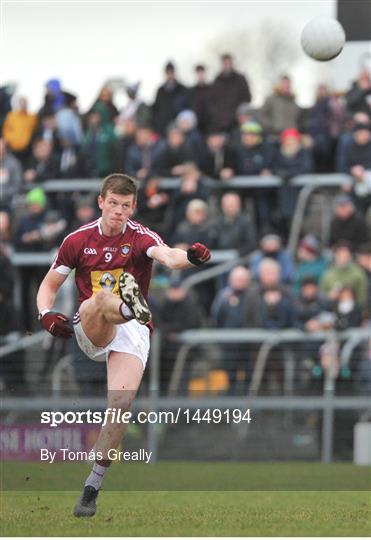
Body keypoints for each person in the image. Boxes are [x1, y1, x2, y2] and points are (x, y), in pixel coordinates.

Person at [36, 173, 211, 517]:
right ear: (101, 202)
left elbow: (169, 256)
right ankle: (127, 304)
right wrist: (45, 313)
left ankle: (91, 488)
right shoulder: (77, 240)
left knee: (119, 407)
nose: (118, 211)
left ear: (133, 208)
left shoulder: (140, 236)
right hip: (93, 323)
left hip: (132, 330)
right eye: (113, 203)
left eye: (125, 206)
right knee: (98, 299)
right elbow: (48, 285)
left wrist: (192, 257)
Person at [207, 53, 251, 133]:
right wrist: (217, 116)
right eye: (225, 63)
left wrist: (239, 114)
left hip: (237, 121)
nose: (227, 65)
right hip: (220, 122)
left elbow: (247, 98)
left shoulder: (240, 79)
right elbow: (212, 101)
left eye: (229, 63)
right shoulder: (217, 80)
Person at [152, 61, 189, 136]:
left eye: (171, 72)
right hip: (163, 128)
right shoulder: (160, 91)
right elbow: (156, 109)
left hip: (179, 127)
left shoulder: (182, 89)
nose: (169, 74)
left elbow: (187, 108)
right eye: (168, 72)